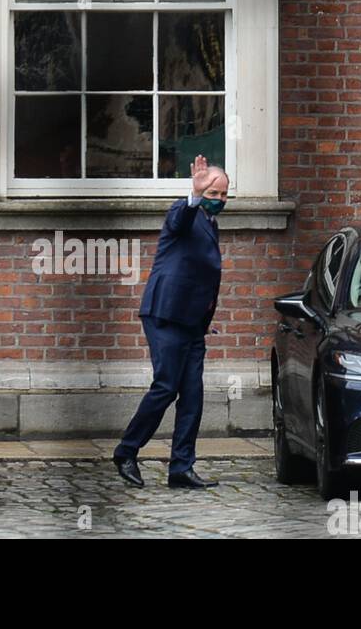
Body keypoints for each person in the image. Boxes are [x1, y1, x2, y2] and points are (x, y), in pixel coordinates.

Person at [113, 154, 227, 489]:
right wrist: (193, 195)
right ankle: (127, 450)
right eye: (213, 194)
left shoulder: (210, 223)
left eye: (223, 195)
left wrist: (205, 320)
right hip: (165, 315)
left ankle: (181, 466)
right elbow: (179, 219)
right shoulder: (186, 213)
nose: (219, 200)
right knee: (166, 386)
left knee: (192, 394)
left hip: (192, 324)